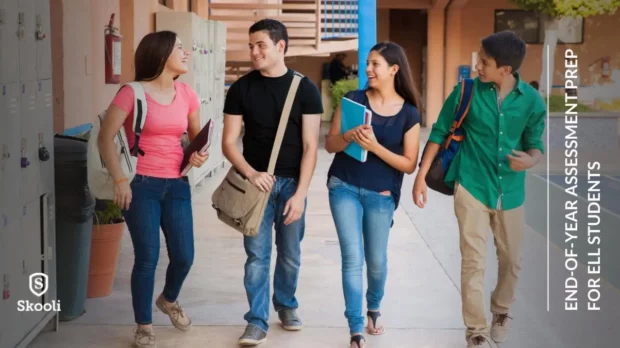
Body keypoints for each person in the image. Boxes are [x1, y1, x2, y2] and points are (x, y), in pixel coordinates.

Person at [413, 31, 545, 348]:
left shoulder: (531, 101)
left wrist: (531, 160)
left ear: (506, 70)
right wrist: (420, 176)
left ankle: (500, 311)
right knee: (473, 261)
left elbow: (535, 144)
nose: (477, 66)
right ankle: (476, 330)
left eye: (484, 62)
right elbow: (439, 132)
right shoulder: (466, 92)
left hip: (511, 192)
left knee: (512, 260)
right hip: (471, 185)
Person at [97, 31, 208, 348]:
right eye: (180, 48)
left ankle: (169, 299)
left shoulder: (187, 93)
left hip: (177, 185)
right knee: (147, 257)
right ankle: (143, 326)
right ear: (161, 56)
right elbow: (106, 137)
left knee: (184, 256)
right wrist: (120, 180)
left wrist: (200, 155)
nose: (186, 53)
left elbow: (196, 140)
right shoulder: (131, 93)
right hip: (140, 186)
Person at [221, 18, 323, 346]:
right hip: (255, 187)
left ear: (280, 46)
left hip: (292, 184)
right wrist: (251, 173)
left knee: (290, 253)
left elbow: (310, 146)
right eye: (251, 46)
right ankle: (257, 320)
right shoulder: (241, 89)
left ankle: (286, 304)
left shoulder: (305, 88)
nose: (254, 52)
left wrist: (302, 193)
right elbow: (229, 142)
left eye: (260, 45)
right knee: (257, 254)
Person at [325, 41, 422, 348]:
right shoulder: (353, 100)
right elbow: (330, 144)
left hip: (382, 193)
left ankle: (374, 308)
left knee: (376, 261)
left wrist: (375, 146)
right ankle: (355, 328)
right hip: (344, 185)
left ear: (394, 69)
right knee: (352, 259)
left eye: (375, 64)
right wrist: (349, 137)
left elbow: (408, 165)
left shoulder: (409, 114)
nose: (367, 69)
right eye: (367, 63)